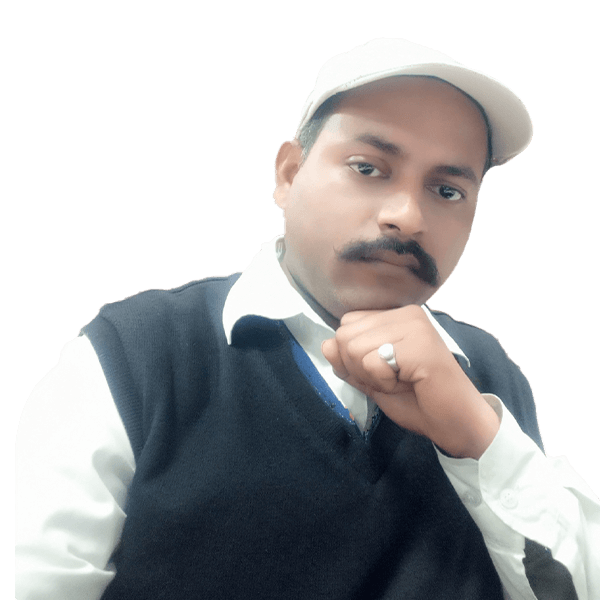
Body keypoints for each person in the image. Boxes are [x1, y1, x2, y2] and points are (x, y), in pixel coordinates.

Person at [15, 38, 599, 600]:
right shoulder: (135, 355)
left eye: (447, 191)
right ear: (289, 174)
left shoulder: (491, 377)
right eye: (368, 168)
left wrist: (479, 440)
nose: (407, 216)